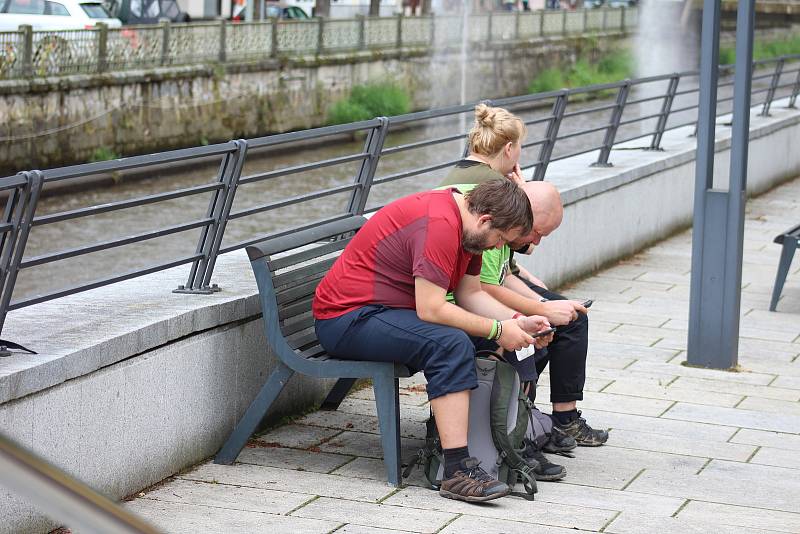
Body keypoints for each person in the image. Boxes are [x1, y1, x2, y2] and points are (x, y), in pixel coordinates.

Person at [313, 179, 553, 503]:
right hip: (347, 319)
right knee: (450, 343)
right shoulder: (439, 225)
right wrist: (497, 330)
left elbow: (470, 295)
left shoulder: (471, 231)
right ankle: (457, 471)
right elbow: (431, 309)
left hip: (386, 313)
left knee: (471, 337)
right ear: (485, 220)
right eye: (499, 239)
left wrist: (515, 323)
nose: (497, 247)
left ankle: (498, 446)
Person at [441, 104, 609, 450]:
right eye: (520, 149)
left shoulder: (483, 181)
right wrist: (538, 310)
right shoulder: (485, 190)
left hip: (461, 294)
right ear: (509, 150)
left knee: (553, 318)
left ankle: (532, 423)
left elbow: (504, 263)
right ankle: (525, 432)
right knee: (544, 326)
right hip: (458, 302)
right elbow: (482, 284)